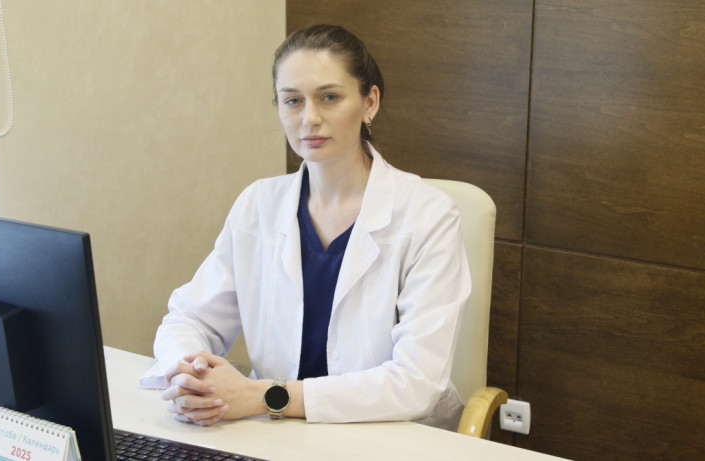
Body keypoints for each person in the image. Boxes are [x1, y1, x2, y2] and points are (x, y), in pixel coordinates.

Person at [154, 24, 471, 431]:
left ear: (370, 102)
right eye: (292, 101)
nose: (310, 118)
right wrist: (191, 376)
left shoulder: (428, 215)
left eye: (329, 97)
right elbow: (190, 319)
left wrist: (264, 396)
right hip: (277, 434)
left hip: (389, 435)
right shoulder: (258, 204)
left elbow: (415, 383)